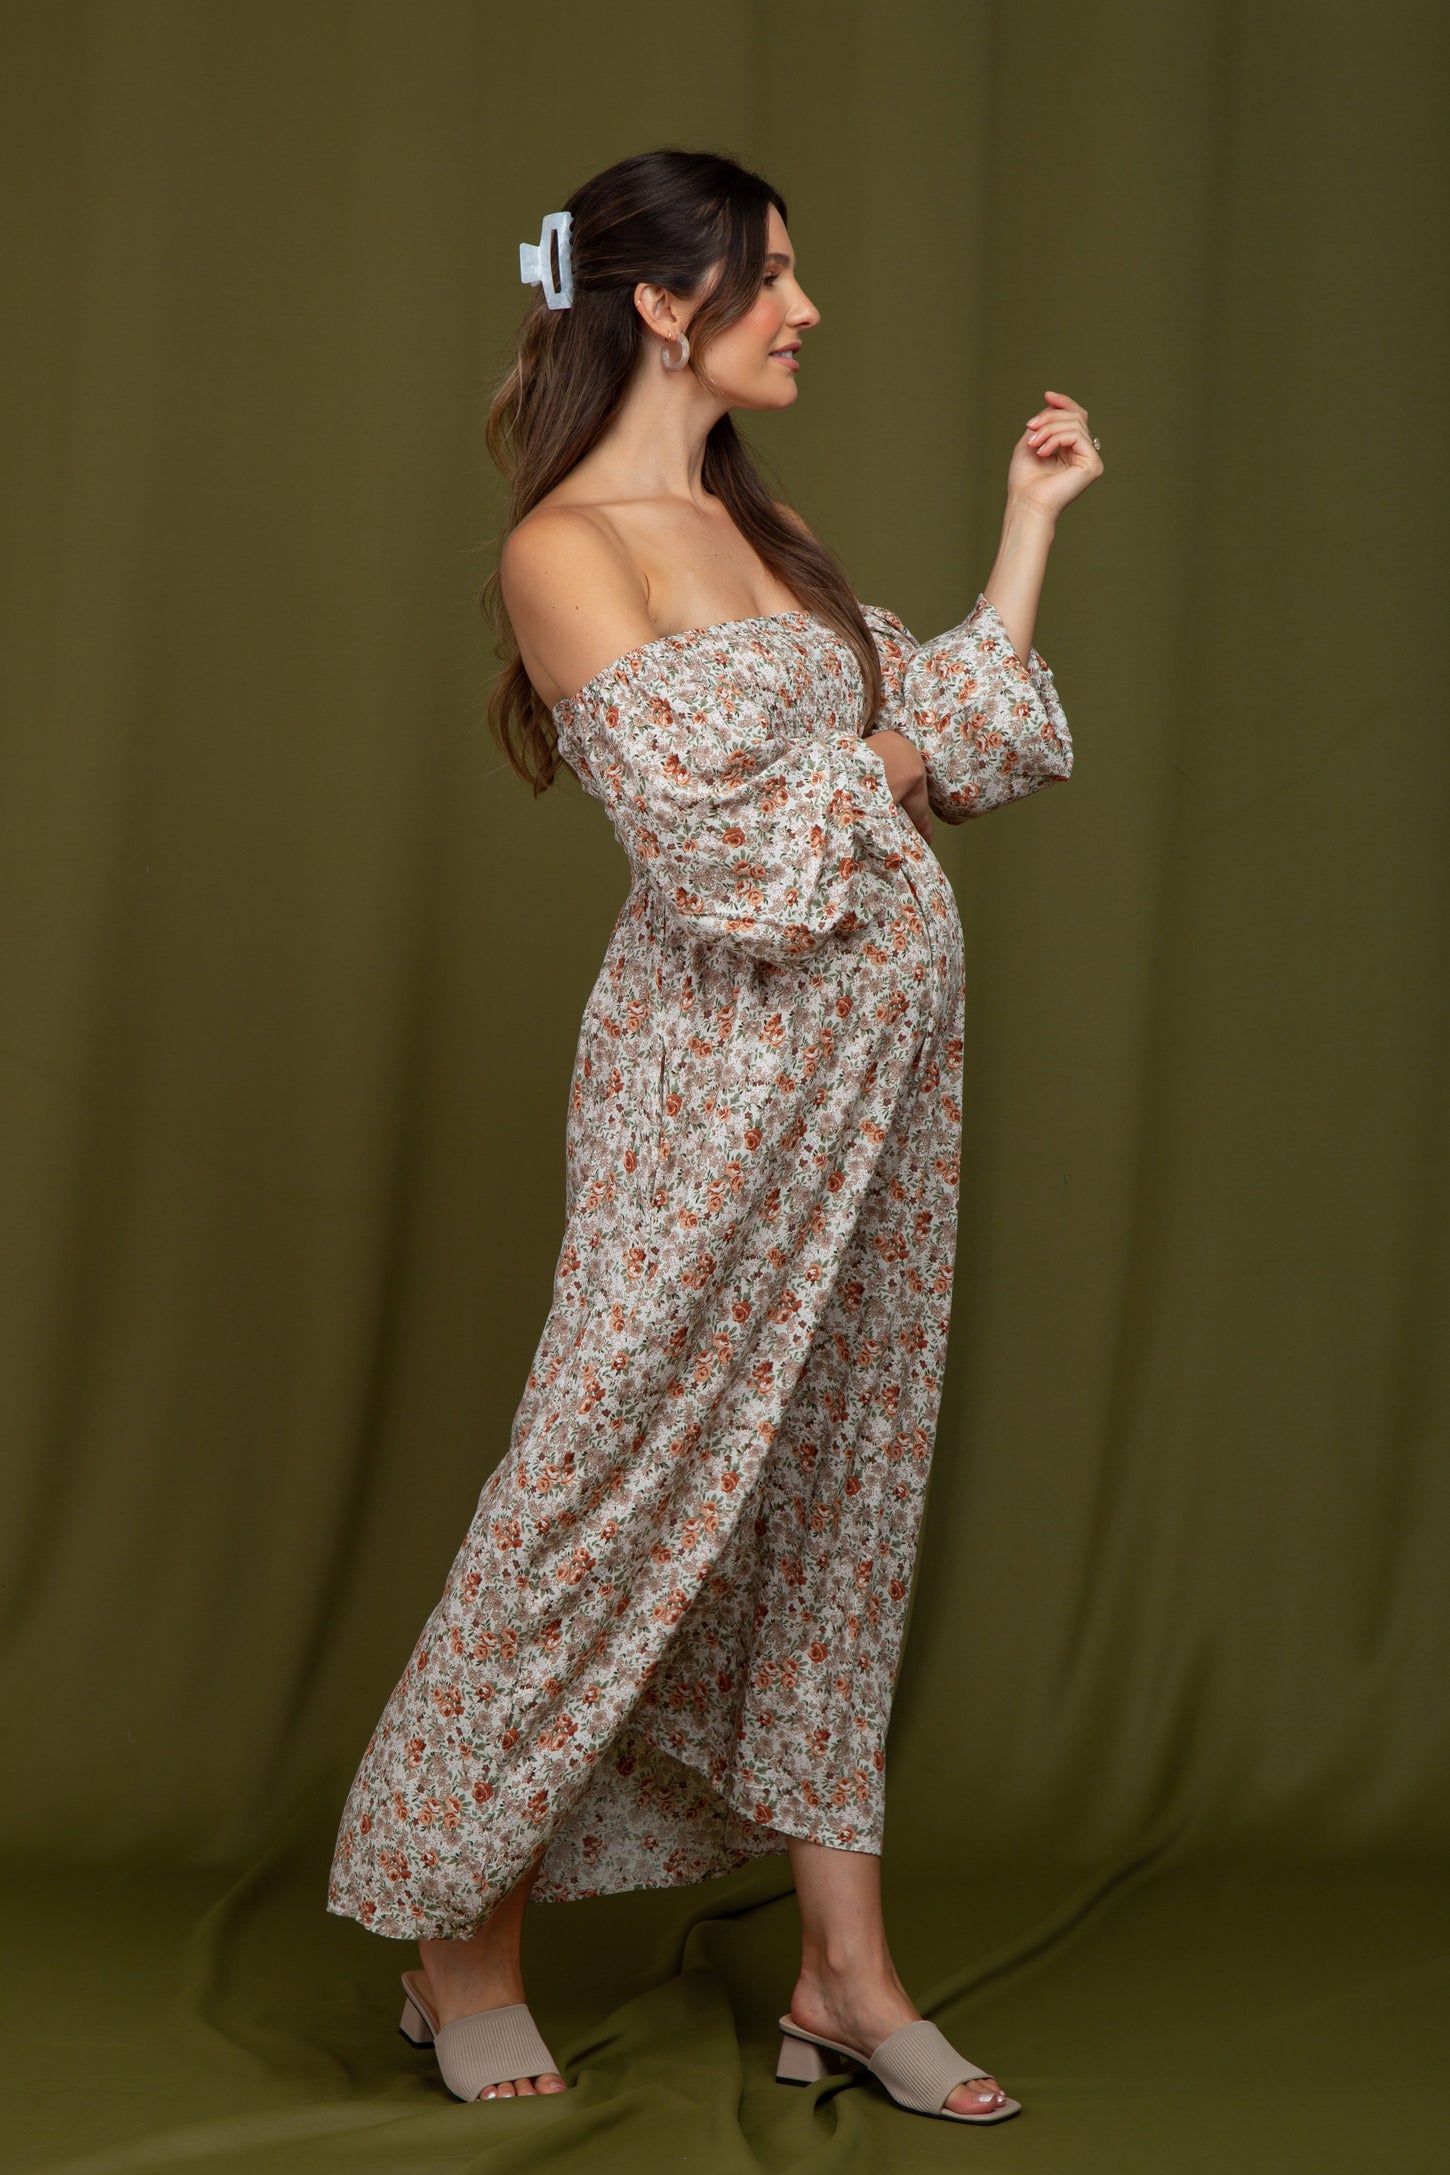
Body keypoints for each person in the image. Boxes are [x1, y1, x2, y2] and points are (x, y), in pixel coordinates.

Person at [327, 146, 1101, 2123]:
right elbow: (727, 860)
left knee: (842, 1488)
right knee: (600, 1485)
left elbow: (958, 740)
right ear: (665, 304)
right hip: (710, 1085)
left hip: (878, 1085)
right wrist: (896, 745)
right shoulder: (565, 549)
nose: (806, 311)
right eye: (773, 277)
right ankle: (456, 1934)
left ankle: (844, 1973)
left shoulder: (773, 527)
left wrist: (1024, 531)